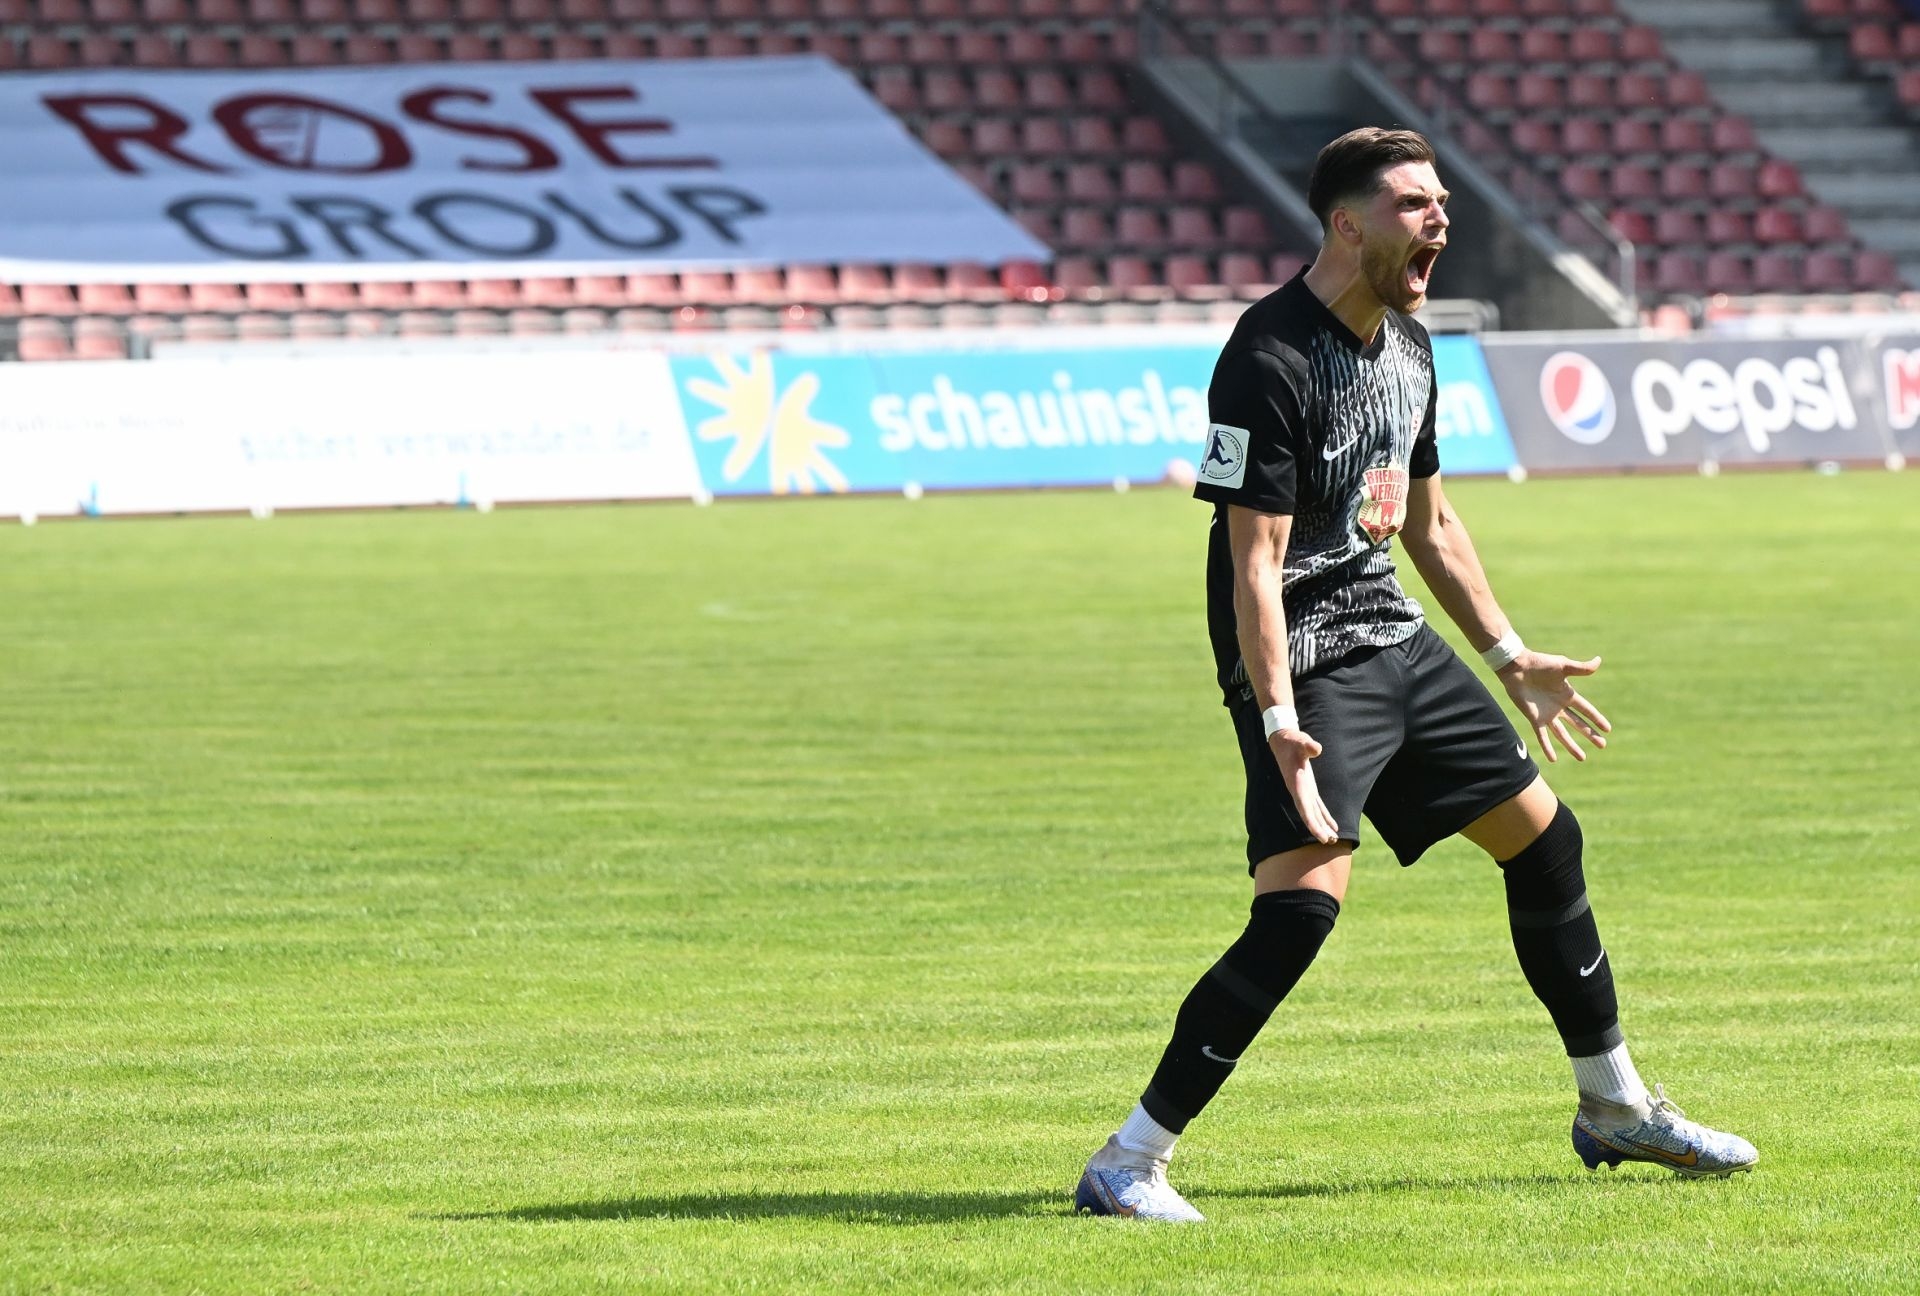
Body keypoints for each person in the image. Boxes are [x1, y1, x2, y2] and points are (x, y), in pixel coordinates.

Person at [1075, 127, 1757, 1222]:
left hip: (1394, 635)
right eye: (1413, 203)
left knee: (1547, 843)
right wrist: (1276, 716)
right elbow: (1254, 563)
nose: (1440, 217)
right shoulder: (1267, 355)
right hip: (1307, 661)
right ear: (1347, 224)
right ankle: (1127, 1162)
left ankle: (1615, 1107)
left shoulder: (1411, 346)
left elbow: (1430, 525)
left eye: (1441, 200)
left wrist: (1508, 654)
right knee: (1299, 912)